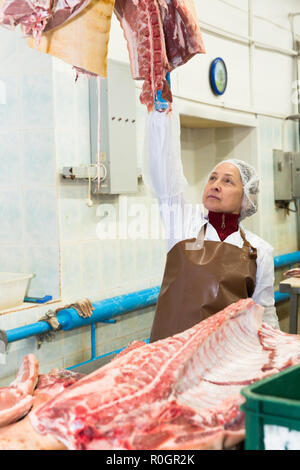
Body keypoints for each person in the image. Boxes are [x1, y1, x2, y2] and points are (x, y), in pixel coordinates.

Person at [142, 109, 280, 343]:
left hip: (226, 358)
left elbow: (264, 314)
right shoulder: (183, 223)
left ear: (247, 198)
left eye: (227, 181)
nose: (215, 185)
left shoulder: (260, 251)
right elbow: (164, 174)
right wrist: (161, 114)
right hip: (171, 356)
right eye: (212, 178)